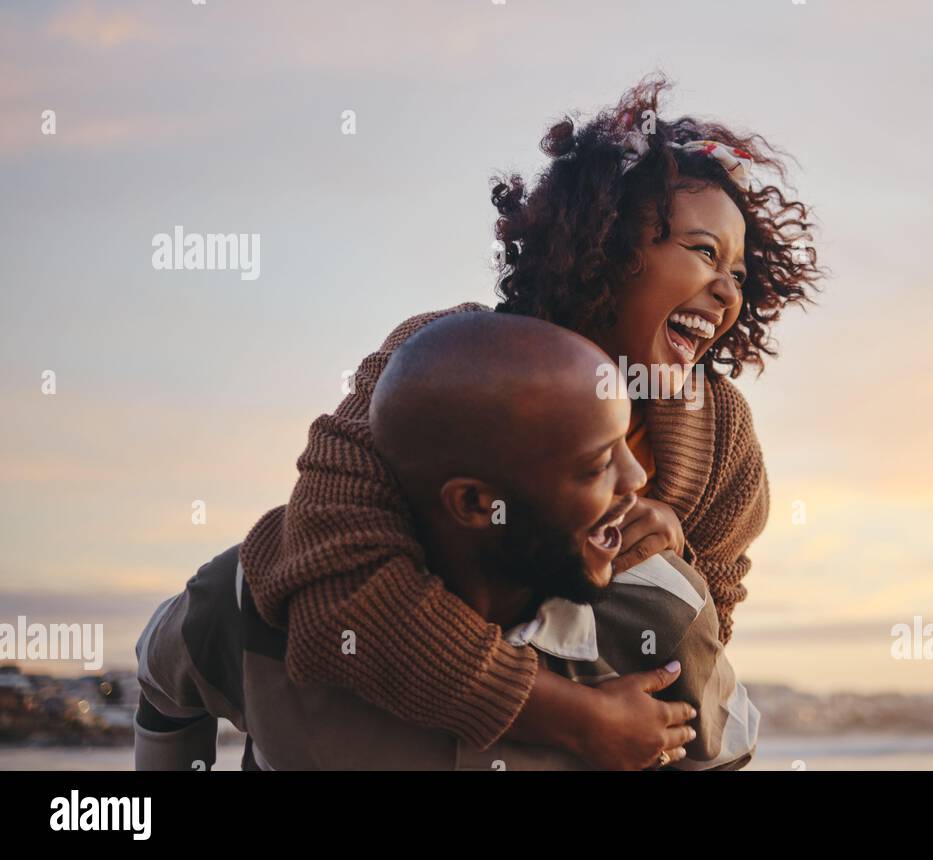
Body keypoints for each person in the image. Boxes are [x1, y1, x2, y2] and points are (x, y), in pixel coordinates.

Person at [239, 74, 822, 769]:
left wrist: (678, 558)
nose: (727, 291)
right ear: (609, 244)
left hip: (579, 728)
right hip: (381, 714)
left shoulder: (721, 434)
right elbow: (339, 590)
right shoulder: (442, 361)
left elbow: (701, 647)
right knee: (224, 590)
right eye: (703, 251)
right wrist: (575, 719)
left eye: (740, 273)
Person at [135, 313, 757, 770]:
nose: (639, 479)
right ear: (477, 503)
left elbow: (722, 757)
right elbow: (162, 687)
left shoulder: (662, 613)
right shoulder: (254, 598)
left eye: (627, 441)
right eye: (597, 465)